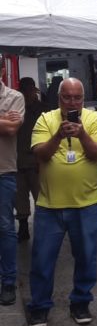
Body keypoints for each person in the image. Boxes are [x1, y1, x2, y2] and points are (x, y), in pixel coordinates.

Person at [26, 78, 97, 326]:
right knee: (42, 259)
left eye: (77, 98)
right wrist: (58, 135)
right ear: (58, 98)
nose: (72, 102)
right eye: (67, 97)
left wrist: (81, 133)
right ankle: (40, 306)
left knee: (86, 257)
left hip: (86, 203)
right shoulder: (45, 119)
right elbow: (40, 154)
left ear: (83, 98)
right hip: (49, 205)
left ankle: (80, 302)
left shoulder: (95, 119)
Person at [0, 58, 25, 306]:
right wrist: (3, 119)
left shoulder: (15, 97)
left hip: (3, 172)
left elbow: (10, 130)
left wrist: (7, 123)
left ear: (2, 70)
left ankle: (7, 282)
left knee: (5, 227)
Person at [15, 77, 44, 242]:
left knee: (40, 196)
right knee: (20, 197)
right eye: (25, 91)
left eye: (30, 90)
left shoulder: (42, 109)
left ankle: (42, 228)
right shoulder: (16, 108)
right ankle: (23, 226)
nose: (28, 94)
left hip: (36, 161)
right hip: (18, 160)